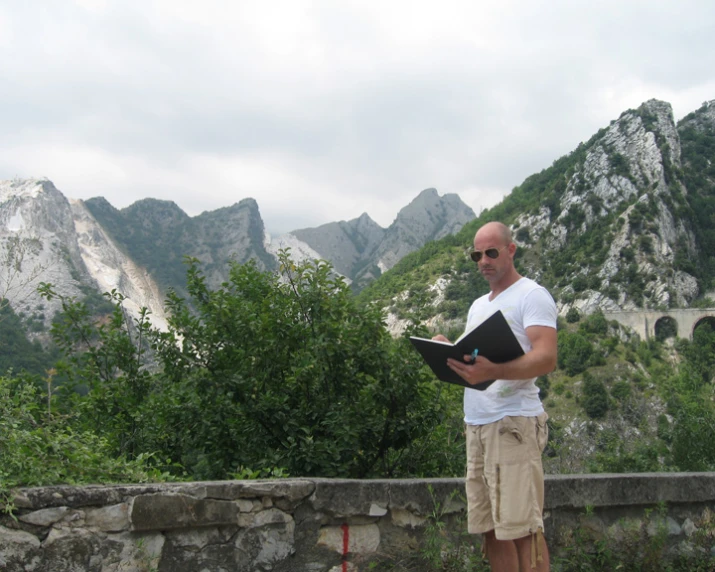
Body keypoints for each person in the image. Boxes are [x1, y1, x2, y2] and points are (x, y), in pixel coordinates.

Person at [433, 221, 557, 572]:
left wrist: (493, 372)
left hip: (512, 424)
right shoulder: (477, 306)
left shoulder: (531, 295)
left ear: (511, 250)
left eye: (491, 252)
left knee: (523, 530)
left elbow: (546, 357)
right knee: (492, 533)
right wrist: (448, 353)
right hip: (478, 426)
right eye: (477, 254)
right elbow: (477, 360)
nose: (483, 260)